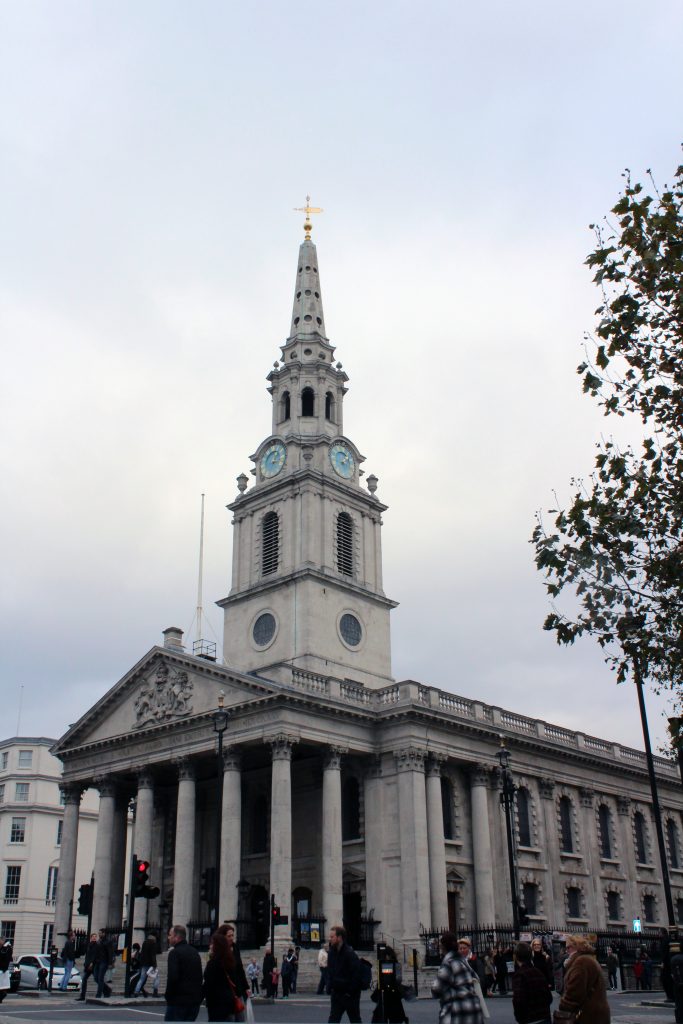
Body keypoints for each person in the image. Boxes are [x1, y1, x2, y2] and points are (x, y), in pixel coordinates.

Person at [431, 933, 484, 1024]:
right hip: (474, 1009)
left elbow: (436, 989)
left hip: (457, 1012)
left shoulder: (448, 963)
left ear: (443, 947)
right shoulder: (463, 961)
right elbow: (476, 978)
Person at [558, 935, 610, 1024]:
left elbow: (575, 992)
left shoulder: (581, 962)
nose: (567, 951)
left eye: (569, 947)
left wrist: (564, 1005)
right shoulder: (588, 959)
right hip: (596, 1013)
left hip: (587, 1015)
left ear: (577, 946)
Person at [164, 923, 203, 1022]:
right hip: (194, 1002)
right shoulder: (195, 952)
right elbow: (199, 976)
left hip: (178, 1001)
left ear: (177, 937)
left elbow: (172, 977)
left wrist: (168, 996)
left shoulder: (174, 953)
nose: (168, 937)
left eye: (170, 935)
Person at [327, 924, 362, 1023]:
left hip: (349, 995)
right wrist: (330, 987)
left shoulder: (349, 953)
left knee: (355, 1020)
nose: (330, 939)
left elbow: (356, 975)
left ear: (339, 937)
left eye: (332, 937)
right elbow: (330, 971)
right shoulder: (331, 953)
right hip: (337, 993)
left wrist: (349, 992)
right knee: (333, 1020)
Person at [511, 942, 552, 1024]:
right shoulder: (538, 972)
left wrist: (520, 1019)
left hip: (530, 1019)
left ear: (516, 956)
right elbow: (549, 997)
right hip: (545, 1017)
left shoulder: (520, 974)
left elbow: (518, 1001)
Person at [370, 945, 407, 1024]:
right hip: (394, 996)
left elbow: (381, 980)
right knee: (395, 1019)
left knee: (381, 1017)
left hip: (384, 995)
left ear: (386, 956)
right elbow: (398, 980)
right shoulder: (397, 965)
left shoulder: (381, 965)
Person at [75, 933, 98, 1001]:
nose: (94, 938)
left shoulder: (97, 945)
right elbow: (87, 955)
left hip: (93, 965)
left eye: (95, 937)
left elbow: (95, 955)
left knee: (97, 979)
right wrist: (86, 963)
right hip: (87, 965)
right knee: (84, 979)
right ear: (91, 938)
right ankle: (82, 996)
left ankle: (106, 990)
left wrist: (92, 963)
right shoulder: (89, 945)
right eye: (93, 937)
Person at [94, 930, 112, 999]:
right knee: (96, 978)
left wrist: (110, 963)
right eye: (99, 933)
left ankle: (99, 994)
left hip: (104, 962)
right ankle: (107, 989)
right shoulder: (98, 941)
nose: (99, 934)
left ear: (104, 933)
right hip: (97, 962)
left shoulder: (108, 941)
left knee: (100, 978)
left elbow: (110, 953)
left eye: (100, 933)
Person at [670, 942, 683, 1024]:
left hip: (677, 984)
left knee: (678, 1002)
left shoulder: (673, 958)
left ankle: (679, 1019)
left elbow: (672, 973)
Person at [0, 939, 13, 1004]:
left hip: (3, 969)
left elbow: (6, 958)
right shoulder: (4, 948)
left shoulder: (6, 948)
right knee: (2, 985)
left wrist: (4, 968)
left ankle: (1, 997)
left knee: (2, 985)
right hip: (3, 969)